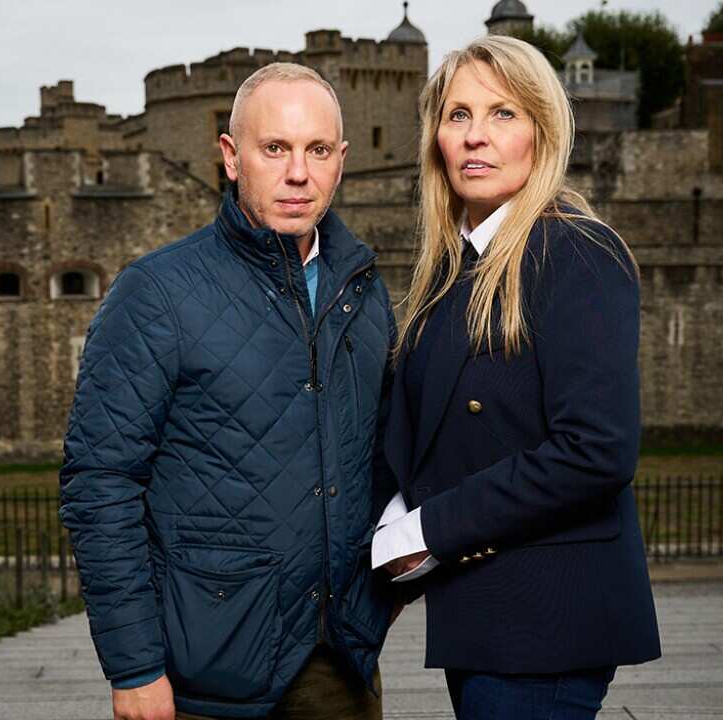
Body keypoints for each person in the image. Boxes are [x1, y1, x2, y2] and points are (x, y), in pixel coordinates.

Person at [61, 62, 398, 720]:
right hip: (206, 670)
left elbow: (376, 452)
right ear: (231, 156)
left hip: (337, 662)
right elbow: (100, 479)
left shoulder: (361, 287)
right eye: (275, 148)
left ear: (341, 160)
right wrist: (134, 666)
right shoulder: (156, 293)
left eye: (317, 150)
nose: (298, 173)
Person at [371, 35, 662, 719]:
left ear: (542, 131)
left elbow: (596, 450)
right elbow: (429, 425)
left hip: (547, 622)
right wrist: (389, 512)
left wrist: (428, 530)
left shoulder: (575, 251)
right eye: (458, 115)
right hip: (486, 619)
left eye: (503, 114)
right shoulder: (456, 270)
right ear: (435, 137)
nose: (476, 137)